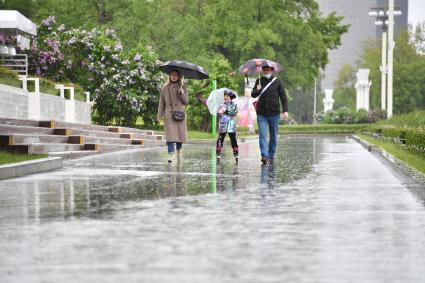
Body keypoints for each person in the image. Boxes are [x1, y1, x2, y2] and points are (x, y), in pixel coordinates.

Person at [251, 61, 288, 165]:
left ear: (272, 70)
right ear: (262, 70)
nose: (266, 70)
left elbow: (283, 97)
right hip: (261, 113)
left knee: (273, 136)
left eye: (268, 69)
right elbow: (253, 95)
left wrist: (285, 111)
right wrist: (257, 90)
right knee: (262, 135)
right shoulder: (259, 80)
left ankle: (271, 155)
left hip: (274, 113)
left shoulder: (278, 81)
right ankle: (264, 156)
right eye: (264, 69)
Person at [157, 69, 188, 162]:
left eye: (176, 75)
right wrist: (159, 115)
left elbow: (186, 102)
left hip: (180, 114)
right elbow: (161, 103)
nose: (174, 76)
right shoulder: (165, 87)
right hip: (169, 114)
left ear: (178, 77)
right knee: (170, 136)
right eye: (172, 74)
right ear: (169, 76)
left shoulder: (183, 87)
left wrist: (182, 94)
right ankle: (171, 154)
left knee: (179, 135)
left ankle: (179, 151)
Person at [216, 90, 239, 163]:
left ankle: (236, 154)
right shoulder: (221, 105)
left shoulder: (234, 104)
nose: (225, 97)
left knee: (233, 139)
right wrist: (219, 113)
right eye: (225, 96)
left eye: (227, 96)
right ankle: (218, 154)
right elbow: (218, 116)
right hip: (223, 125)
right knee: (220, 139)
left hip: (231, 125)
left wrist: (226, 111)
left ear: (230, 97)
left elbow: (234, 113)